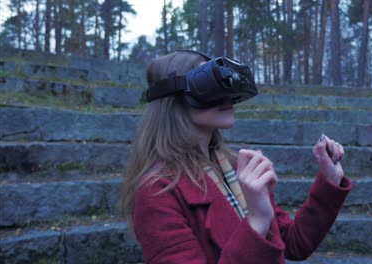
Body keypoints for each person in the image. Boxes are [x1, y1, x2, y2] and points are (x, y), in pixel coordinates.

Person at [121, 50, 352, 264]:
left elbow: (293, 243)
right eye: (209, 85)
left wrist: (329, 181)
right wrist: (257, 220)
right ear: (173, 100)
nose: (226, 96)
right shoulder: (156, 191)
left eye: (225, 84)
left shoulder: (235, 167)